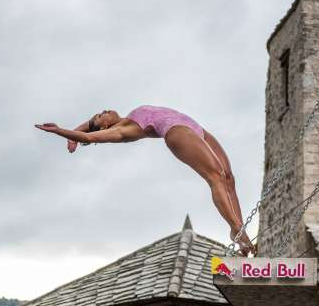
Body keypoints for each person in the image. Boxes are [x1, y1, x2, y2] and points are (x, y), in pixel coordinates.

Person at [35, 107, 255, 255]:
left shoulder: (126, 116)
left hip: (195, 127)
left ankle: (240, 228)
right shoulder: (123, 130)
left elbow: (87, 128)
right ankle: (235, 228)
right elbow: (89, 136)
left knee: (229, 178)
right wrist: (61, 131)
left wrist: (76, 129)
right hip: (177, 131)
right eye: (100, 116)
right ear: (104, 127)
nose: (103, 111)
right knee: (215, 176)